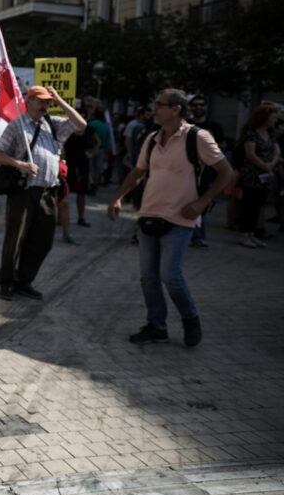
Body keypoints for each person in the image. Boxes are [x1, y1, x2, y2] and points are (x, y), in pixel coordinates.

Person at [107, 89, 232, 345]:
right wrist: (118, 197)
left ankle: (190, 318)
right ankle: (157, 326)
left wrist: (202, 202)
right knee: (148, 277)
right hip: (149, 214)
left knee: (170, 276)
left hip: (180, 218)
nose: (154, 109)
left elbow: (226, 172)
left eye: (159, 105)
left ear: (176, 109)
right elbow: (138, 172)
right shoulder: (152, 139)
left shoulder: (197, 137)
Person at [0, 85, 87, 300]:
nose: (46, 105)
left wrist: (59, 100)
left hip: (48, 192)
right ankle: (6, 282)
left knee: (43, 240)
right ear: (29, 101)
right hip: (24, 191)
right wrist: (22, 164)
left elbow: (81, 124)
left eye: (48, 102)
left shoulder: (53, 124)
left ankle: (24, 281)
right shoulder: (17, 126)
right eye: (42, 101)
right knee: (15, 239)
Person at [236, 105, 280, 248]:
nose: (275, 120)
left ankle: (252, 234)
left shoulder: (271, 134)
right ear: (265, 118)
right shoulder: (251, 134)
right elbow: (250, 154)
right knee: (249, 205)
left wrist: (271, 165)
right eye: (273, 117)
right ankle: (244, 234)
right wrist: (265, 166)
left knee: (259, 206)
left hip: (266, 175)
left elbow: (276, 152)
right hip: (252, 175)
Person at [187, 95, 225, 247]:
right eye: (195, 105)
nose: (198, 108)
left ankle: (198, 236)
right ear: (190, 107)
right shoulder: (186, 125)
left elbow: (222, 148)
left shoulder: (214, 126)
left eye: (201, 105)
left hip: (208, 172)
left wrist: (210, 141)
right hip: (187, 170)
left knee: (203, 202)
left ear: (206, 107)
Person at [62, 121, 100, 231]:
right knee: (64, 191)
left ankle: (81, 217)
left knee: (81, 192)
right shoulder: (67, 127)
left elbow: (98, 142)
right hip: (68, 164)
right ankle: (61, 217)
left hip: (82, 164)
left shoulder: (89, 129)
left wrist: (91, 154)